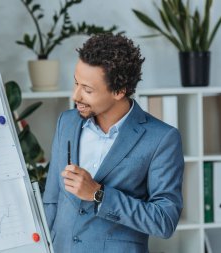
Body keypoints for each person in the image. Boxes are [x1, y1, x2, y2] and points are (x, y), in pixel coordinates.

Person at [42, 33, 184, 253]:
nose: (75, 95)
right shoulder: (66, 122)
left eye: (88, 90)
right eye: (76, 83)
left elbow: (164, 221)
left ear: (119, 91)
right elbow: (52, 199)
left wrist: (99, 194)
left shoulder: (162, 139)